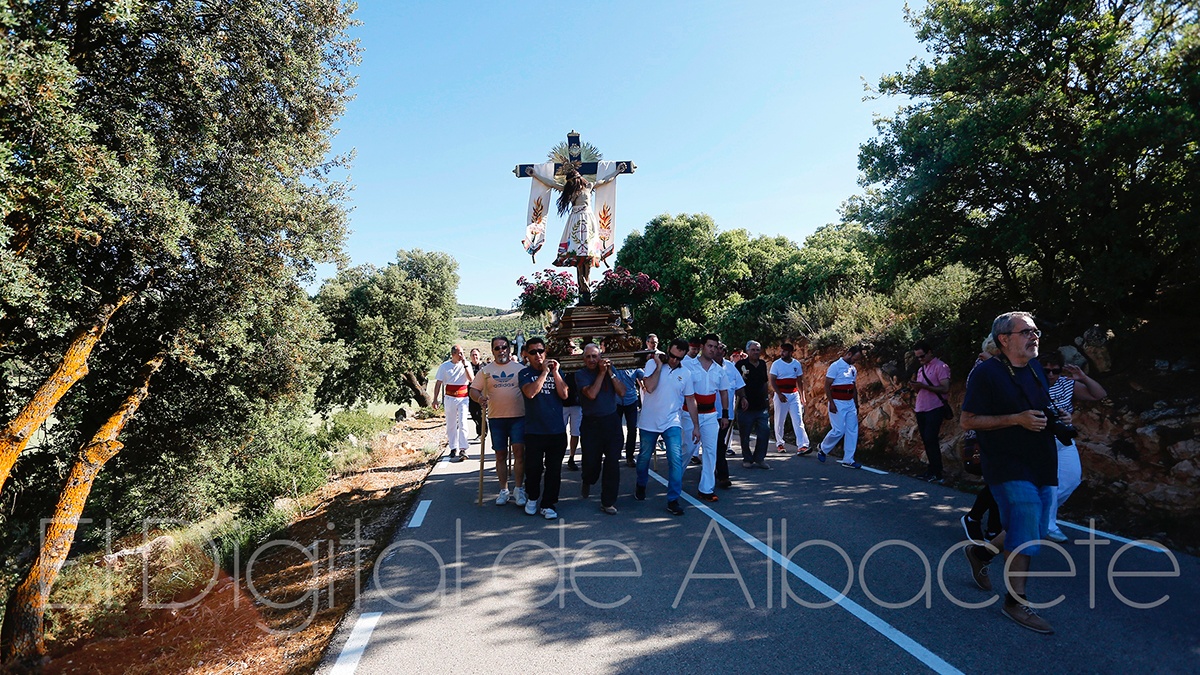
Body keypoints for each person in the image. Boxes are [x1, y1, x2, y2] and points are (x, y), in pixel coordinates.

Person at [961, 311, 1061, 634]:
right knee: (1027, 518)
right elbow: (968, 420)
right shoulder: (985, 374)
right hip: (1006, 463)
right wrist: (1016, 419)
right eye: (1026, 332)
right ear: (1004, 339)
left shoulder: (1034, 368)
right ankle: (1016, 602)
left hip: (1042, 460)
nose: (1035, 337)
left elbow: (1039, 407)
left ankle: (981, 553)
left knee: (1034, 527)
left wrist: (1059, 420)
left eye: (1036, 331)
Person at [1038, 351, 1106, 542]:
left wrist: (1083, 377)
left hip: (1064, 437)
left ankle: (1037, 513)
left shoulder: (1067, 385)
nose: (1051, 375)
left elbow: (1099, 394)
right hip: (1041, 439)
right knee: (1050, 484)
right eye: (1046, 371)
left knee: (1071, 479)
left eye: (1056, 371)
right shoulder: (1031, 386)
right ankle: (1049, 525)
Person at [530, 165, 618, 304]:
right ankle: (583, 288)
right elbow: (551, 183)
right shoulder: (569, 190)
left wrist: (617, 171)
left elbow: (605, 180)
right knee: (577, 256)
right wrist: (535, 174)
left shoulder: (589, 186)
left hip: (587, 222)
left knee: (587, 256)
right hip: (576, 222)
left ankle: (585, 288)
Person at [636, 338, 701, 516]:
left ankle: (673, 499)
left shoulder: (686, 373)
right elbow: (649, 387)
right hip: (649, 421)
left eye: (679, 358)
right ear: (667, 351)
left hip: (672, 421)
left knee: (676, 459)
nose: (674, 360)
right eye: (672, 356)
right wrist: (658, 366)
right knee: (644, 458)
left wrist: (696, 426)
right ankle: (641, 483)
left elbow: (690, 399)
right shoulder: (652, 364)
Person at [469, 336, 527, 507]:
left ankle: (518, 489)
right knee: (500, 455)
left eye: (504, 347)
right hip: (496, 419)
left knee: (519, 453)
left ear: (509, 349)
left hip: (518, 417)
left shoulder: (520, 369)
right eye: (497, 348)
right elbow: (473, 390)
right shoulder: (486, 371)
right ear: (493, 351)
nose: (501, 350)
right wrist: (479, 399)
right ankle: (503, 490)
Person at [519, 338, 569, 520]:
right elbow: (531, 392)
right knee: (533, 469)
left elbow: (564, 394)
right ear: (527, 355)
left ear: (545, 352)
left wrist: (554, 373)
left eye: (540, 351)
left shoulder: (557, 371)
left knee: (554, 470)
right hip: (534, 431)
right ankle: (532, 497)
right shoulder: (524, 374)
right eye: (533, 352)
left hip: (556, 431)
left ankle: (548, 503)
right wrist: (544, 373)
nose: (537, 355)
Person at [575, 343, 627, 514]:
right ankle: (587, 478)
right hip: (591, 424)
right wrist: (601, 373)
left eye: (595, 356)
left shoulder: (611, 370)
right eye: (588, 357)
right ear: (584, 359)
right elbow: (591, 394)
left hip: (611, 421)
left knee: (612, 461)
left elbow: (622, 392)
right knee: (591, 463)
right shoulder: (581, 374)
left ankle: (608, 501)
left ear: (600, 356)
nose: (592, 360)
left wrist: (610, 372)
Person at [961, 335, 1003, 543]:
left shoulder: (996, 366)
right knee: (998, 479)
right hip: (986, 431)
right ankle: (983, 522)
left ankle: (984, 522)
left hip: (1001, 430)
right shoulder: (984, 368)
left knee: (1000, 479)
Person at [682, 333, 731, 501]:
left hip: (710, 415)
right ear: (702, 347)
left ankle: (706, 489)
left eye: (715, 347)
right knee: (687, 449)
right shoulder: (688, 366)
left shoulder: (719, 370)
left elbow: (724, 392)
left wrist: (725, 414)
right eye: (709, 346)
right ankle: (676, 479)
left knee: (711, 451)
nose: (713, 349)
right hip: (689, 413)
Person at [909, 340, 952, 482]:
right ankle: (931, 470)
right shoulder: (921, 369)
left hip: (935, 407)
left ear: (929, 352)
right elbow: (920, 388)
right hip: (921, 408)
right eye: (917, 357)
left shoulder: (941, 367)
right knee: (927, 441)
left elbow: (945, 388)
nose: (920, 359)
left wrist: (924, 386)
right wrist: (916, 386)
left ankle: (937, 472)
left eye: (922, 356)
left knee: (931, 439)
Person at [819, 345, 865, 468]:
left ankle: (848, 459)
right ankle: (823, 448)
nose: (856, 361)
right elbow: (827, 386)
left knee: (852, 430)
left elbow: (853, 386)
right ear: (849, 354)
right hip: (837, 401)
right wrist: (831, 403)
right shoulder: (835, 366)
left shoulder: (853, 369)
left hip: (850, 403)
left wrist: (856, 403)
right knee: (839, 430)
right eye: (855, 357)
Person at [432, 345, 473, 462]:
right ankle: (453, 447)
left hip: (463, 398)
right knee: (451, 424)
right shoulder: (444, 366)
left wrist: (465, 364)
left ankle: (463, 448)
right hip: (450, 397)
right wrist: (435, 399)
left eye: (462, 353)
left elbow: (471, 379)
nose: (461, 355)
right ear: (453, 354)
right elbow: (439, 383)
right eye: (459, 353)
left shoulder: (466, 365)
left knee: (463, 422)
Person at [736, 340, 773, 469]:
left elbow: (764, 383)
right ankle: (747, 458)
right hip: (745, 406)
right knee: (745, 434)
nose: (756, 352)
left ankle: (760, 458)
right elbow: (737, 383)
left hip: (761, 406)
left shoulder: (762, 364)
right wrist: (742, 397)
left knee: (765, 432)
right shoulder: (740, 365)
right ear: (747, 351)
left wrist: (767, 399)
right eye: (753, 350)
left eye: (758, 350)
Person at [769, 342, 811, 454]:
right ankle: (780, 443)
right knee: (779, 420)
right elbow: (772, 380)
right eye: (781, 351)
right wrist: (779, 394)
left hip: (793, 395)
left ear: (791, 352)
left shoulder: (796, 364)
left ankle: (802, 445)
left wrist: (802, 397)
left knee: (798, 420)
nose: (782, 353)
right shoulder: (776, 364)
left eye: (785, 351)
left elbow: (799, 381)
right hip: (781, 395)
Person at [713, 342, 745, 487]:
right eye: (715, 348)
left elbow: (739, 386)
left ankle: (722, 474)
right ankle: (718, 471)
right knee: (715, 444)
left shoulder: (731, 367)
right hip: (708, 413)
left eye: (721, 349)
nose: (718, 351)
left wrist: (743, 398)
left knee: (720, 444)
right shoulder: (706, 366)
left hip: (726, 414)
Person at [614, 364, 644, 467]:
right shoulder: (614, 365)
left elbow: (644, 376)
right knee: (616, 429)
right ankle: (616, 452)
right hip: (616, 401)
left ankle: (630, 456)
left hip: (631, 400)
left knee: (632, 428)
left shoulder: (634, 366)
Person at [467, 348, 486, 438]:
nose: (475, 357)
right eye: (473, 355)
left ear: (479, 356)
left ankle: (482, 433)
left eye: (476, 355)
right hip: (471, 394)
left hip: (483, 394)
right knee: (473, 413)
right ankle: (481, 431)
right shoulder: (468, 367)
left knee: (481, 414)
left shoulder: (485, 367)